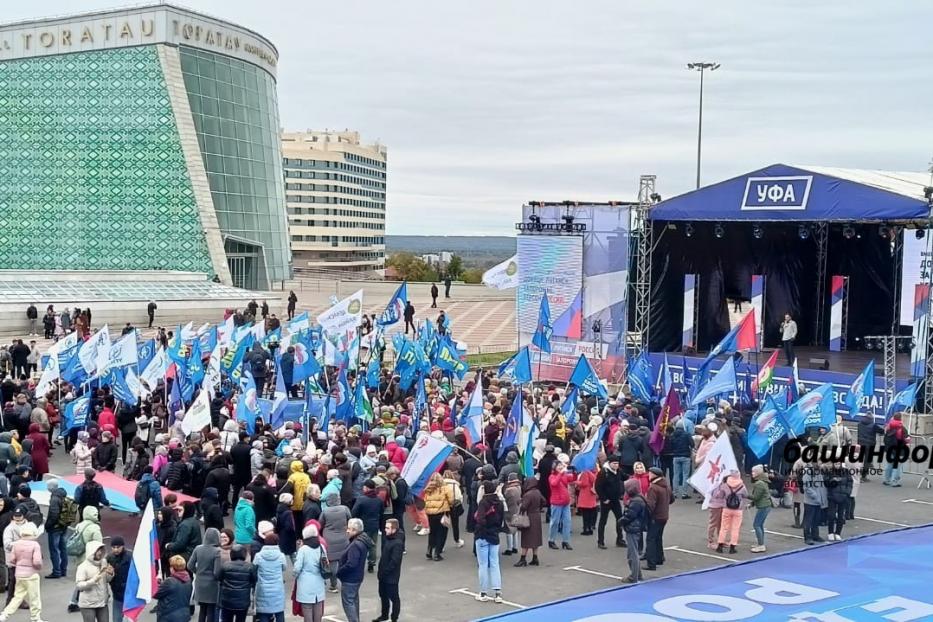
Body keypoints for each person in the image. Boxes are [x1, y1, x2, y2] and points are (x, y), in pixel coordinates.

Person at [0, 521, 43, 622]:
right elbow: (37, 561)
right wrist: (39, 567)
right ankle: (35, 618)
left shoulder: (16, 544)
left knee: (17, 597)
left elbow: (12, 559)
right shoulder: (35, 545)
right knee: (34, 598)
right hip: (32, 575)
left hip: (19, 574)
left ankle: (4, 615)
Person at [336, 518, 372, 622]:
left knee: (348, 602)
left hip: (350, 579)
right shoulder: (362, 540)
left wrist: (340, 572)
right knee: (354, 600)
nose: (347, 531)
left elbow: (351, 563)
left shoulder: (356, 544)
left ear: (355, 530)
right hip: (357, 577)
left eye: (349, 529)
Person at [474, 481, 504, 604]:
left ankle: (483, 592)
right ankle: (497, 593)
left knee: (483, 564)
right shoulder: (500, 503)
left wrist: (482, 530)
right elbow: (501, 519)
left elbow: (480, 519)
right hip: (494, 536)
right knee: (495, 563)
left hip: (482, 536)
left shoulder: (483, 503)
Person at [187, 528, 222, 622]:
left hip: (199, 582)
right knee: (211, 610)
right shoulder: (217, 551)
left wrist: (197, 572)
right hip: (212, 585)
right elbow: (216, 572)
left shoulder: (198, 548)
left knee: (202, 610)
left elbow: (189, 565)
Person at [294, 524, 326, 622]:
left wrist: (295, 575)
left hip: (305, 584)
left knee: (307, 609)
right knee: (318, 609)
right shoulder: (321, 547)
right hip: (319, 582)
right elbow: (325, 562)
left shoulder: (303, 549)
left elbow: (297, 568)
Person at [319, 494, 350, 594]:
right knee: (344, 562)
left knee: (332, 564)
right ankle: (346, 583)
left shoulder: (325, 512)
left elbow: (320, 524)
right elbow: (350, 519)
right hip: (343, 538)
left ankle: (333, 585)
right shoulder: (345, 509)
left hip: (329, 539)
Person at [75, 541, 112, 622]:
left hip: (102, 602)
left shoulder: (104, 562)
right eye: (97, 550)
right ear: (91, 552)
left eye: (101, 550)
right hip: (88, 604)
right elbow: (79, 585)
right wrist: (93, 581)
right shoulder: (83, 567)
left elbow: (107, 580)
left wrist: (110, 573)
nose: (100, 552)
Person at [374, 518, 403, 622]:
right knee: (383, 596)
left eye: (387, 528)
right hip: (383, 575)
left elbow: (394, 561)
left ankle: (394, 618)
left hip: (391, 577)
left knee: (394, 598)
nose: (385, 530)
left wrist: (385, 572)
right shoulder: (388, 539)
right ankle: (384, 615)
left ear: (394, 529)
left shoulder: (397, 543)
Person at [253, 534, 287, 622]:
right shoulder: (281, 556)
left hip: (263, 590)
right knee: (279, 612)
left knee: (264, 613)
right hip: (277, 589)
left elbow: (254, 569)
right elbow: (284, 568)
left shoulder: (258, 556)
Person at [44, 479, 73, 579]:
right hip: (63, 525)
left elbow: (54, 514)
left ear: (51, 487)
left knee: (54, 550)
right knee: (62, 548)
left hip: (55, 527)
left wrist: (47, 525)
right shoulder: (63, 494)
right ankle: (63, 570)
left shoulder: (54, 498)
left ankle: (56, 571)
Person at [217, 545, 255, 622]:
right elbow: (253, 581)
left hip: (227, 601)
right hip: (243, 601)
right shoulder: (250, 567)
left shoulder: (225, 565)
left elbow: (219, 578)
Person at [619, 479, 647, 583]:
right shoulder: (640, 498)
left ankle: (633, 576)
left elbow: (630, 515)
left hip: (633, 528)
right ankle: (638, 574)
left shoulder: (635, 501)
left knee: (632, 553)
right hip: (636, 527)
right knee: (633, 552)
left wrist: (621, 521)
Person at [595, 455, 624, 549]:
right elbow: (598, 487)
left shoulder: (618, 471)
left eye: (617, 463)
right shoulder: (603, 472)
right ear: (609, 463)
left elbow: (625, 477)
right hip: (606, 501)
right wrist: (604, 499)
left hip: (616, 500)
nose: (616, 465)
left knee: (620, 520)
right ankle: (600, 541)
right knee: (603, 521)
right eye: (614, 463)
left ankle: (620, 539)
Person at [513, 478, 544, 568]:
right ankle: (535, 558)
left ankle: (523, 559)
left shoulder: (528, 494)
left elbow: (524, 507)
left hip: (529, 517)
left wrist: (520, 503)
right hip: (537, 516)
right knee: (536, 538)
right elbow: (544, 501)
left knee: (526, 538)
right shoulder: (538, 492)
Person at [422, 473, 453, 561]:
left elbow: (425, 500)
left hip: (430, 513)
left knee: (432, 532)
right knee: (442, 533)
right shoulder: (445, 488)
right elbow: (451, 500)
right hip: (441, 512)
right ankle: (437, 553)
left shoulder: (428, 489)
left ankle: (429, 550)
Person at [644, 467, 670, 571]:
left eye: (650, 473)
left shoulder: (653, 488)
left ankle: (651, 563)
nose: (648, 475)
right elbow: (671, 499)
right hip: (664, 515)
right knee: (658, 537)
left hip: (655, 517)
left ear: (654, 475)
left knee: (651, 539)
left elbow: (651, 505)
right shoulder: (666, 486)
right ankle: (660, 557)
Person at [713, 472, 746, 554]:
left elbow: (720, 496)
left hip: (726, 508)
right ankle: (732, 547)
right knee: (735, 528)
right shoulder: (742, 486)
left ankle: (720, 545)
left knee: (723, 527)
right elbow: (745, 495)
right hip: (738, 509)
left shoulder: (725, 485)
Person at [153, 556, 193, 622]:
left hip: (169, 616)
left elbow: (155, 593)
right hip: (184, 614)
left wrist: (156, 583)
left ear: (172, 568)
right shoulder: (188, 579)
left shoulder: (170, 581)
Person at [547, 461, 575, 550]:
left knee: (567, 522)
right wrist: (561, 473)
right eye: (558, 466)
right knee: (555, 522)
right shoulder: (552, 476)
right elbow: (554, 483)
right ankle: (551, 540)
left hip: (566, 502)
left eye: (561, 465)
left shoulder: (565, 475)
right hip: (556, 502)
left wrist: (574, 471)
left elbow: (572, 479)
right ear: (554, 467)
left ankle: (565, 541)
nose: (560, 467)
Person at [825, 462, 853, 541]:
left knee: (841, 516)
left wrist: (847, 493)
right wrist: (832, 480)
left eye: (838, 463)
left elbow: (850, 483)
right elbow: (826, 483)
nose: (837, 465)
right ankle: (830, 532)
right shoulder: (830, 472)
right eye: (835, 463)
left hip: (843, 496)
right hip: (832, 497)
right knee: (831, 515)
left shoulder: (846, 472)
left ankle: (838, 533)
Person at [106, 537, 131, 622]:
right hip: (117, 594)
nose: (115, 549)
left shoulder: (130, 557)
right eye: (113, 547)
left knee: (129, 619)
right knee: (116, 619)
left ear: (123, 546)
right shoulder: (109, 558)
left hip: (129, 593)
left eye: (118, 547)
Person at [801, 463, 827, 545]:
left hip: (818, 501)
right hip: (810, 501)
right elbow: (807, 488)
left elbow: (821, 486)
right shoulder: (807, 472)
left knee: (816, 520)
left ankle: (815, 535)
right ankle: (807, 537)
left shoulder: (818, 471)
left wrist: (823, 499)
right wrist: (816, 497)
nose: (821, 463)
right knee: (808, 520)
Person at [748, 465, 772, 553]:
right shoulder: (763, 481)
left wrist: (745, 495)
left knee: (756, 525)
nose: (752, 473)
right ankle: (760, 543)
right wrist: (752, 504)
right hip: (766, 505)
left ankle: (761, 545)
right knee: (760, 525)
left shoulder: (759, 483)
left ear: (758, 473)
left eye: (753, 472)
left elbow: (756, 497)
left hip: (763, 506)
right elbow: (760, 496)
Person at [883, 413, 910, 487]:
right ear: (900, 418)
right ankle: (895, 481)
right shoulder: (902, 429)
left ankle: (887, 480)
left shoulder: (888, 427)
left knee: (889, 465)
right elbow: (905, 440)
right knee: (898, 467)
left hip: (890, 449)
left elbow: (885, 439)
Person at [856, 413, 883, 481]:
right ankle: (864, 476)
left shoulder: (859, 424)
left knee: (860, 459)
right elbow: (881, 431)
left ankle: (857, 473)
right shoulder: (873, 425)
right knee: (867, 460)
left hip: (860, 442)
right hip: (870, 444)